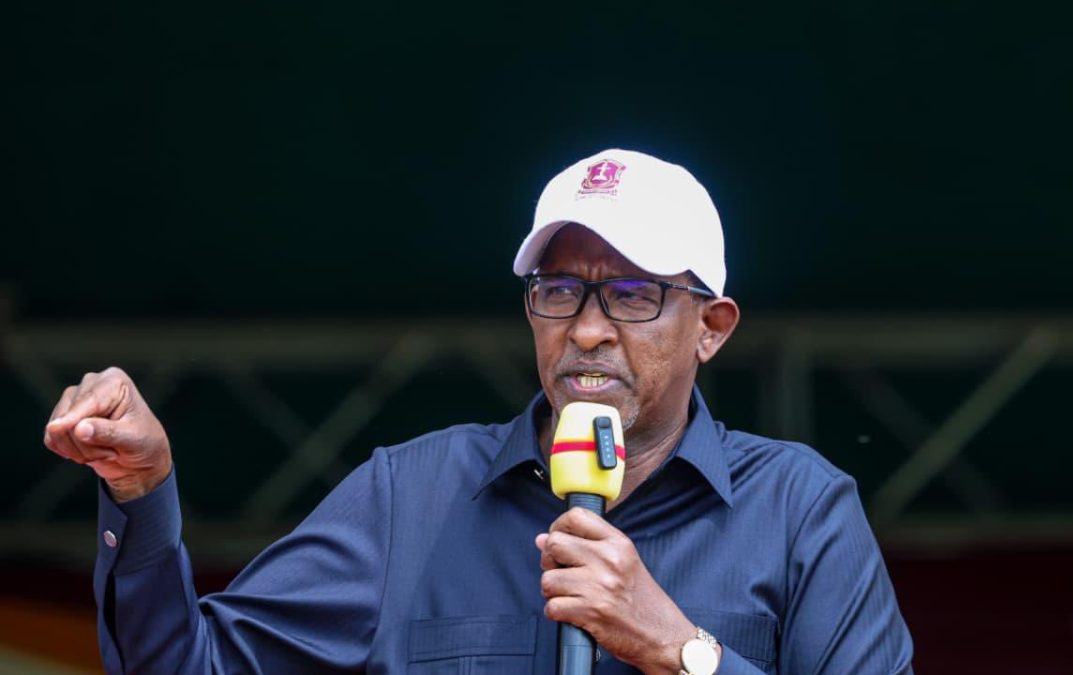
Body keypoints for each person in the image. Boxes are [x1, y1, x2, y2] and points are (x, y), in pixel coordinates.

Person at [43, 149, 914, 674]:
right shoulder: (411, 496)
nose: (589, 330)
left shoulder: (800, 508)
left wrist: (681, 650)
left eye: (634, 294)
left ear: (712, 328)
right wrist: (144, 490)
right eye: (561, 289)